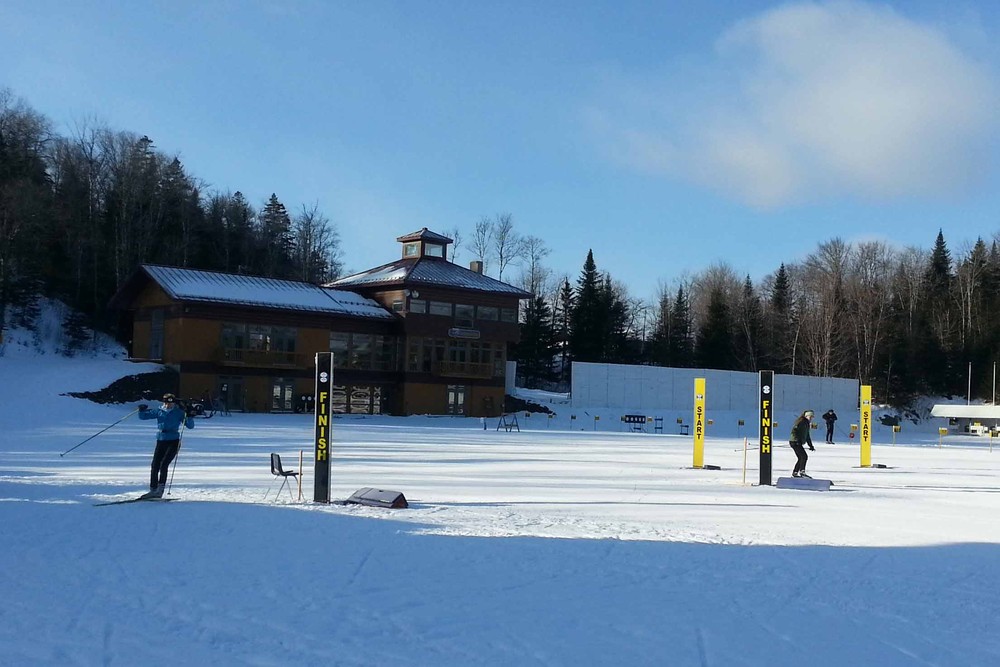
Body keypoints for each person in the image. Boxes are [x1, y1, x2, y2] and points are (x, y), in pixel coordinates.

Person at [137, 393, 195, 498]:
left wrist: (189, 416)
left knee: (164, 464)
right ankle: (153, 490)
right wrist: (141, 410)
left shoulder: (178, 412)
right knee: (155, 465)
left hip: (173, 441)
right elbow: (144, 416)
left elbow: (190, 426)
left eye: (171, 403)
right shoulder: (159, 411)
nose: (168, 405)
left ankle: (160, 490)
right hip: (161, 440)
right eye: (167, 403)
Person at [789, 409, 816, 478]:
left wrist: (811, 445)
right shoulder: (801, 421)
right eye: (810, 417)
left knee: (801, 457)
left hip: (797, 442)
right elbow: (794, 431)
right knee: (804, 456)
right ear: (806, 416)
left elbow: (807, 436)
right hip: (794, 442)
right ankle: (802, 472)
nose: (811, 418)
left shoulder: (807, 423)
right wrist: (797, 440)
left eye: (812, 417)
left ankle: (795, 473)